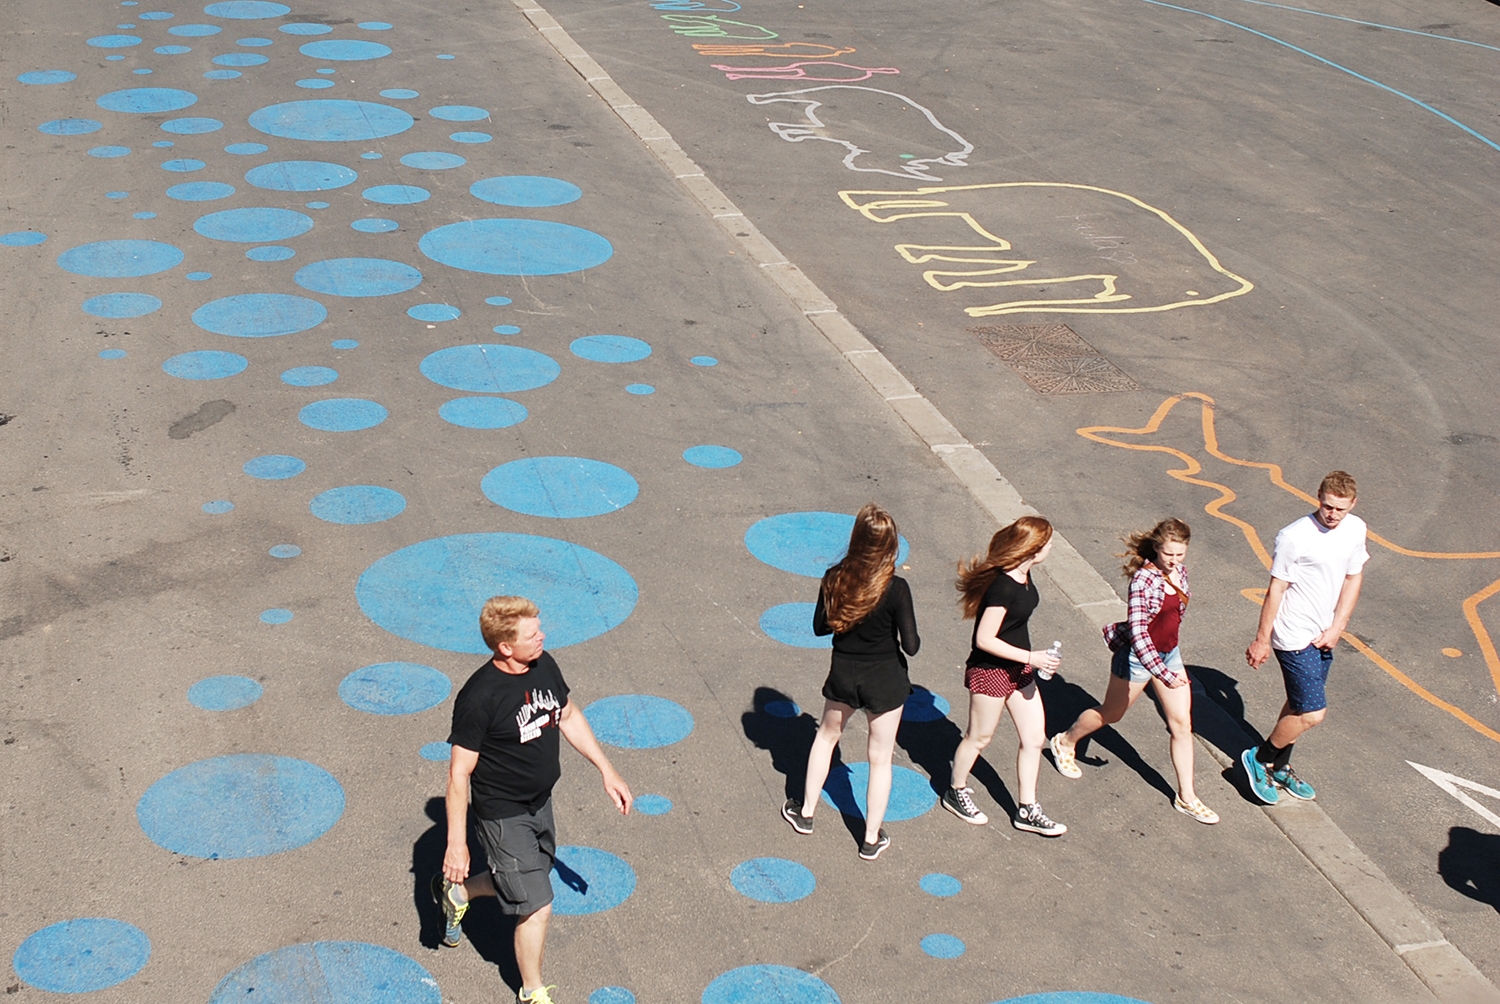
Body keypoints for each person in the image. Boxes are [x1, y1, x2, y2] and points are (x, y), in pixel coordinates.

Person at [434, 596, 632, 1004]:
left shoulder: (543, 665)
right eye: (532, 634)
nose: (542, 636)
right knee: (537, 904)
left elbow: (569, 714)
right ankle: (532, 991)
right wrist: (457, 844)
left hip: (540, 802)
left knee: (526, 880)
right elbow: (458, 774)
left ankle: (458, 894)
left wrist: (606, 769)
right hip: (503, 813)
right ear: (505, 647)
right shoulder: (479, 698)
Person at [1047, 519, 1219, 824]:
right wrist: (1163, 674)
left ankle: (1187, 797)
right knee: (1112, 713)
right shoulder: (1142, 581)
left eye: (1180, 555)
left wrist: (1168, 665)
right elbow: (1140, 634)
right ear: (1156, 548)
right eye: (1169, 554)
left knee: (1182, 724)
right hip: (1138, 659)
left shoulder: (1180, 573)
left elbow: (1172, 619)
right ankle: (1066, 741)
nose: (1174, 561)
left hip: (1169, 654)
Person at [782, 503, 919, 860]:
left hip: (844, 672)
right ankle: (871, 837)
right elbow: (912, 646)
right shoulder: (896, 587)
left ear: (856, 540)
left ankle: (806, 811)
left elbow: (819, 627)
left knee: (826, 738)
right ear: (890, 546)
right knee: (880, 758)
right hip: (885, 678)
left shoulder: (834, 577)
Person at [1242, 471, 1368, 803]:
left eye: (1340, 509)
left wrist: (1338, 626)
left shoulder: (1355, 529)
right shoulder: (1294, 537)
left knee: (1298, 706)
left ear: (1352, 504)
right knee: (1313, 713)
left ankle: (1280, 765)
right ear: (1318, 496)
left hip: (1324, 633)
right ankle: (1258, 758)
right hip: (1293, 635)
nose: (1332, 515)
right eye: (1327, 506)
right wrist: (1261, 639)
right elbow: (1276, 589)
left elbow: (1354, 577)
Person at [941, 516, 1067, 836]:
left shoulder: (1025, 575)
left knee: (1034, 738)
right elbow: (984, 639)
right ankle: (956, 791)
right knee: (979, 737)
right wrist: (1032, 657)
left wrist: (1036, 659)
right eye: (1049, 542)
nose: (1052, 546)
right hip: (991, 671)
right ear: (1033, 548)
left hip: (1019, 669)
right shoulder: (1003, 586)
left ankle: (1027, 809)